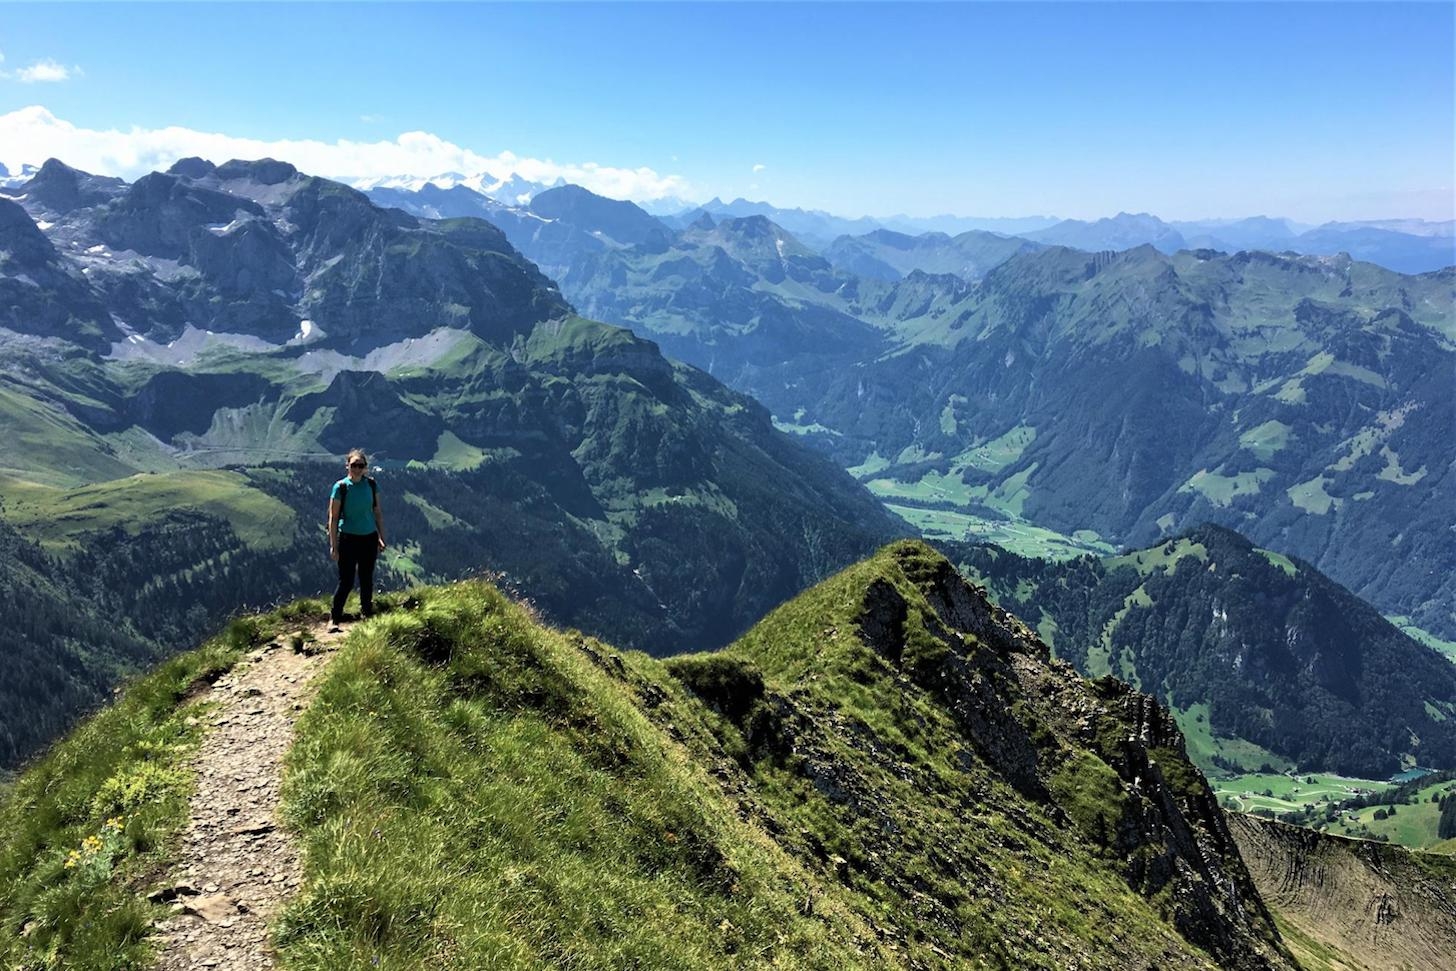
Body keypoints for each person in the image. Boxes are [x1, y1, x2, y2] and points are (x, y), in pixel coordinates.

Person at [328, 448, 387, 629]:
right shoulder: (341, 487)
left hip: (369, 538)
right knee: (346, 581)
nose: (357, 469)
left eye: (360, 465)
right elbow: (333, 517)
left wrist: (381, 537)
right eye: (354, 465)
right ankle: (334, 617)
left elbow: (377, 512)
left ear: (365, 468)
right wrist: (334, 546)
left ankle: (366, 613)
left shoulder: (371, 485)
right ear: (348, 466)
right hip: (348, 539)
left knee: (366, 578)